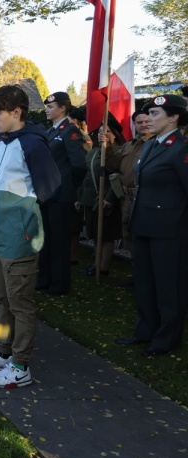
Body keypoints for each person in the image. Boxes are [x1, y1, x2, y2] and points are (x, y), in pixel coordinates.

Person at [0, 85, 61, 388]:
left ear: (16, 112)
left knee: (20, 302)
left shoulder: (31, 145)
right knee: (1, 298)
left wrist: (23, 218)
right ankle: (3, 351)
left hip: (18, 238)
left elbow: (49, 188)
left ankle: (20, 365)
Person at [115, 94, 188, 357]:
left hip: (170, 229)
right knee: (145, 283)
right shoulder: (150, 146)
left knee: (169, 286)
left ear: (174, 117)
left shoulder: (181, 148)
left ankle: (167, 338)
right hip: (144, 224)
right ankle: (145, 330)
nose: (148, 120)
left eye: (156, 114)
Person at [38, 92, 87, 296]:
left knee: (59, 242)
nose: (47, 110)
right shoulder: (52, 131)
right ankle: (45, 279)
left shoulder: (70, 131)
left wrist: (69, 188)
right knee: (47, 240)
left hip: (62, 195)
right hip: (49, 193)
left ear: (63, 108)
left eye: (51, 107)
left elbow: (78, 165)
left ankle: (59, 284)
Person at [78, 116, 125, 277]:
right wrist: (80, 197)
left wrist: (110, 199)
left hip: (106, 199)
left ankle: (103, 268)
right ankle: (96, 264)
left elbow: (117, 176)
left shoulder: (118, 151)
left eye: (107, 131)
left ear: (115, 134)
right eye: (99, 131)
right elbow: (87, 176)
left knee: (106, 235)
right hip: (91, 198)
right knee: (96, 235)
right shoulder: (95, 151)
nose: (101, 134)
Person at [105, 110, 151, 254]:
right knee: (129, 235)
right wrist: (107, 146)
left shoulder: (155, 144)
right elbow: (113, 166)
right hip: (126, 199)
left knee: (144, 237)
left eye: (146, 122)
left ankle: (145, 274)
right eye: (139, 122)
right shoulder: (128, 145)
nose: (143, 125)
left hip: (144, 198)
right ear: (134, 125)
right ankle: (135, 270)